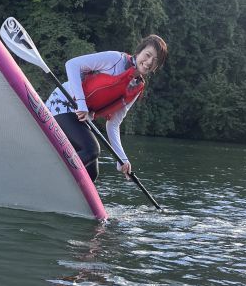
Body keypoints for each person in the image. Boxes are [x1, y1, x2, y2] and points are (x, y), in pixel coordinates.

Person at [45, 35, 168, 182]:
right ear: (138, 52)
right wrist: (82, 103)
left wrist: (122, 158)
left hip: (79, 116)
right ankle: (49, 178)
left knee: (92, 173)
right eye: (147, 55)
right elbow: (72, 65)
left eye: (155, 61)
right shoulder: (115, 59)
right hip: (62, 103)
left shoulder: (136, 87)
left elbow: (113, 124)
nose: (149, 62)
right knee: (91, 150)